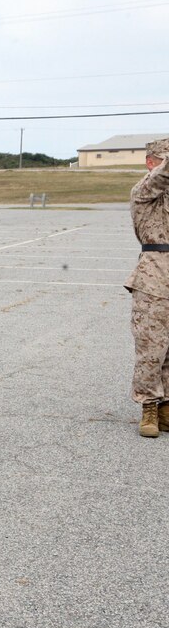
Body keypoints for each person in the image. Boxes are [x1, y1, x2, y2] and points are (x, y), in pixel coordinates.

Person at [124, 137, 169, 437]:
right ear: (151, 163)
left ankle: (166, 408)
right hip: (154, 273)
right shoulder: (143, 191)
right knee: (151, 348)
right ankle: (149, 407)